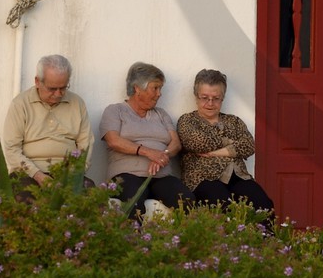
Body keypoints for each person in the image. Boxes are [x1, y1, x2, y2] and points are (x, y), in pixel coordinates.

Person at [176, 69, 275, 212]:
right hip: (203, 178)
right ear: (196, 97)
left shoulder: (233, 121)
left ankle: (265, 235)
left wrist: (215, 153)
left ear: (222, 98)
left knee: (263, 204)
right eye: (204, 97)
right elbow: (198, 143)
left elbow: (249, 146)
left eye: (216, 98)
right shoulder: (188, 120)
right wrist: (231, 144)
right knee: (222, 205)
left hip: (237, 176)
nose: (210, 103)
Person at [99, 62, 191, 208]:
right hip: (126, 174)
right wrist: (149, 152)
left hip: (161, 176)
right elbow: (113, 140)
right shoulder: (115, 111)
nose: (159, 93)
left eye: (160, 88)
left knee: (187, 201)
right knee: (133, 203)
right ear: (137, 88)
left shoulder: (161, 114)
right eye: (155, 88)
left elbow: (176, 143)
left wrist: (162, 155)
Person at [0, 53, 93, 186]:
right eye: (52, 88)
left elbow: (86, 145)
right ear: (37, 82)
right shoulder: (20, 104)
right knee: (23, 202)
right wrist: (38, 176)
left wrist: (72, 175)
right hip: (28, 174)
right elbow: (12, 149)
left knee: (93, 201)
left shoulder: (77, 103)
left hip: (67, 174)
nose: (58, 94)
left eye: (63, 88)